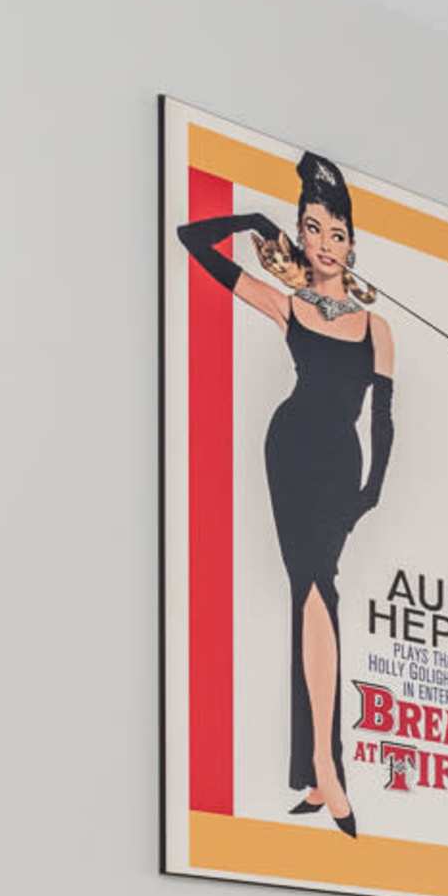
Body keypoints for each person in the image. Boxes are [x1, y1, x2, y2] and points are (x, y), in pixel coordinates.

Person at [176, 151, 395, 835]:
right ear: (299, 236)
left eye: (335, 234)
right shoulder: (289, 304)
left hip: (341, 461)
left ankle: (314, 769)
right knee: (313, 588)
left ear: (351, 245)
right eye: (311, 230)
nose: (323, 245)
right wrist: (252, 219)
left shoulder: (377, 328)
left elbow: (383, 418)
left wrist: (372, 491)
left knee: (314, 590)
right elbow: (192, 243)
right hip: (291, 449)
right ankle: (327, 771)